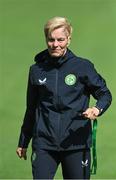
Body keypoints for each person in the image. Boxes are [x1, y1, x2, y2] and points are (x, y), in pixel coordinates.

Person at [16, 16, 112, 179]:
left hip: (76, 143)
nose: (55, 44)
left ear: (68, 39)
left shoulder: (83, 67)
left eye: (60, 39)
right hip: (44, 144)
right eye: (51, 40)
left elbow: (104, 93)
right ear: (46, 39)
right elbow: (31, 108)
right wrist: (23, 141)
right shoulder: (36, 70)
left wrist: (97, 108)